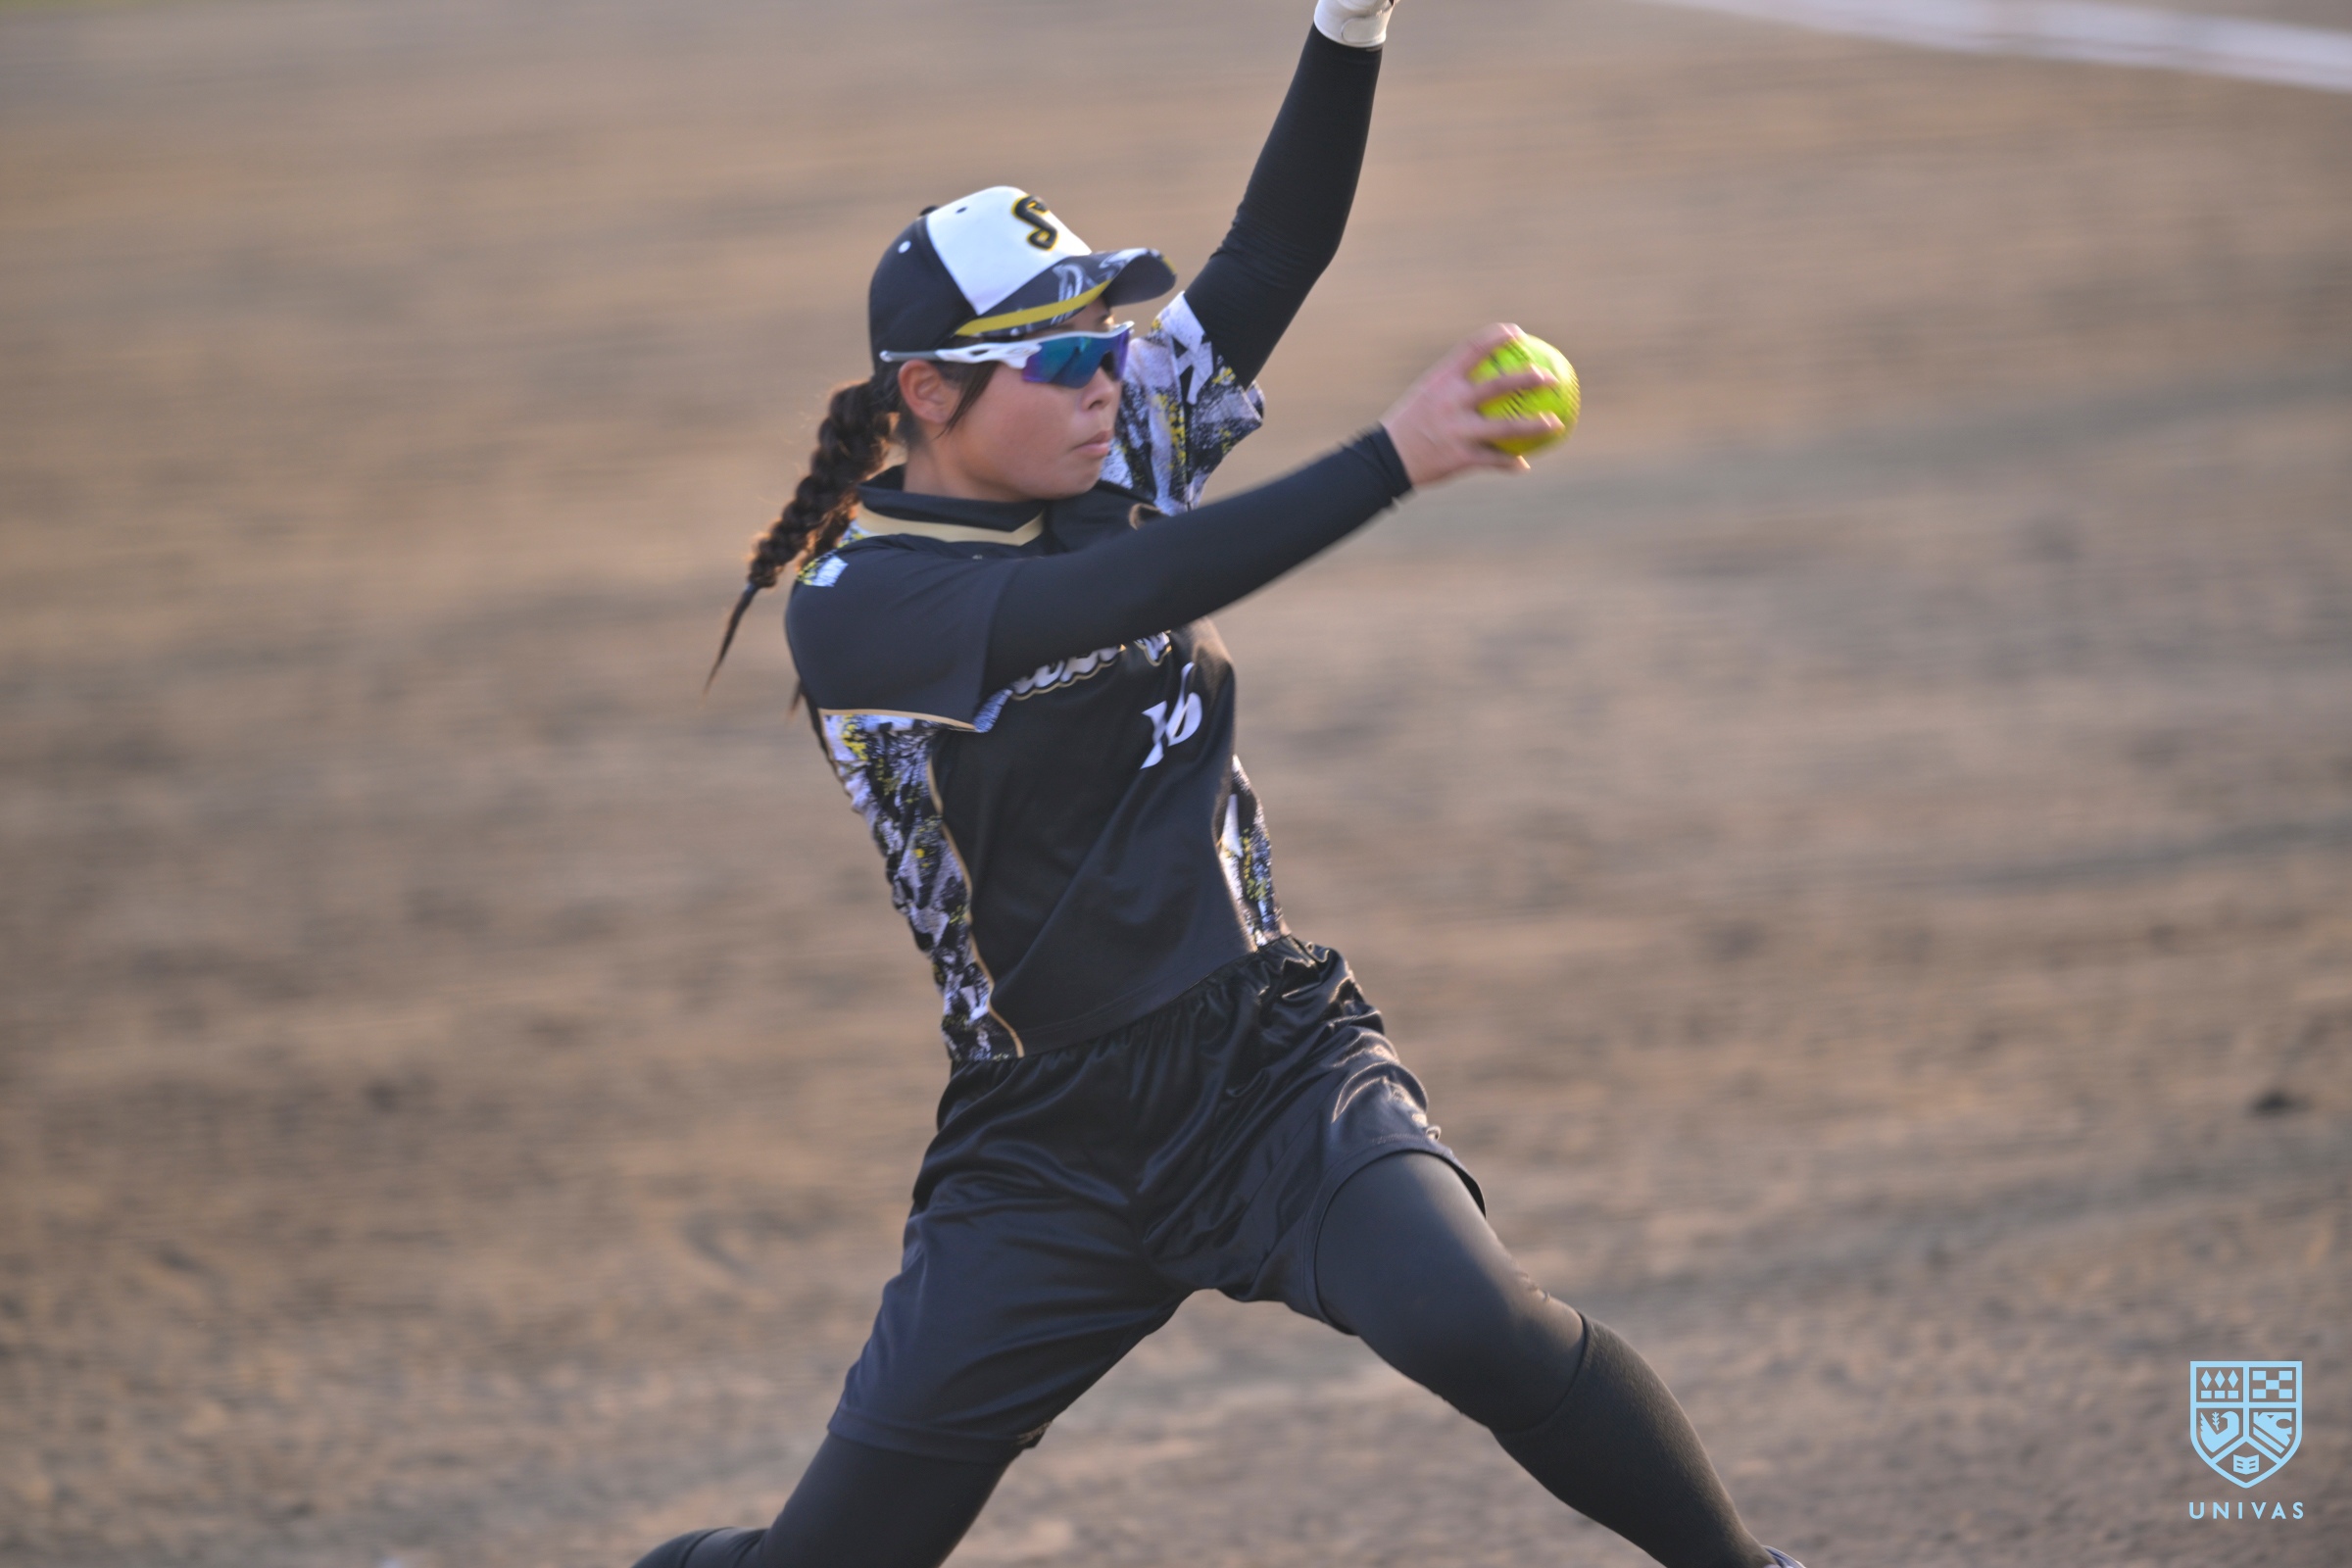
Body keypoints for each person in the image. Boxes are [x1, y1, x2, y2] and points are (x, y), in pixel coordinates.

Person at [649, 4, 1805, 1565]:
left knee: (1474, 1321)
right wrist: (1389, 457)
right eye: (1064, 354)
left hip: (1265, 1064)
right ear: (925, 393)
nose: (1107, 378)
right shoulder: (859, 606)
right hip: (1044, 1141)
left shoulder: (1114, 438)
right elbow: (1110, 597)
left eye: (1109, 338)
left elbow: (1273, 251)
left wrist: (1351, 21)